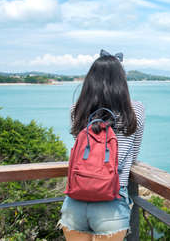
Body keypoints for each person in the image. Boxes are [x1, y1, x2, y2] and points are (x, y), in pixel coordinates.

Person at [58, 50, 145, 241]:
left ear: (90, 81)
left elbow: (84, 152)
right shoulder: (135, 109)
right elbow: (134, 153)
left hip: (75, 202)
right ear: (121, 81)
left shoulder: (77, 110)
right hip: (112, 202)